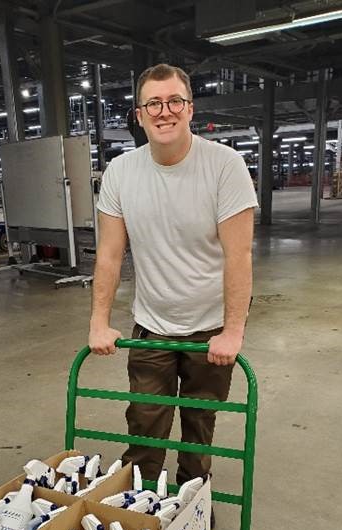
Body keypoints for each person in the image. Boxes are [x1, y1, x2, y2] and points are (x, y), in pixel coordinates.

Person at [88, 63, 258, 490]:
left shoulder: (225, 166)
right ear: (139, 114)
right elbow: (109, 255)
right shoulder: (120, 172)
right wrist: (98, 322)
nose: (165, 111)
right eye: (153, 104)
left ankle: (192, 500)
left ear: (190, 108)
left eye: (174, 101)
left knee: (199, 425)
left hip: (210, 330)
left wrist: (233, 331)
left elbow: (238, 256)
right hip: (152, 328)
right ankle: (141, 504)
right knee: (145, 423)